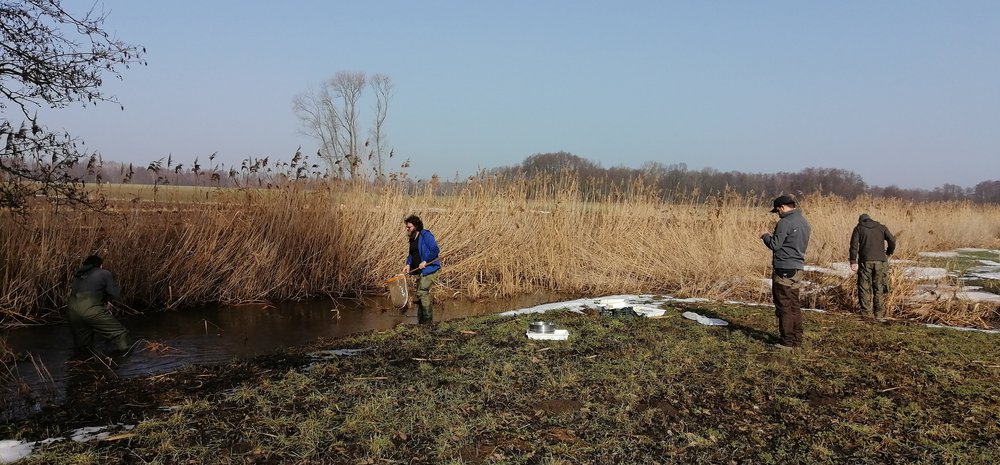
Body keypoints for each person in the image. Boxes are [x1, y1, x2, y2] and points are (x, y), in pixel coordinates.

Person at [759, 195, 811, 349]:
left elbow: (775, 245)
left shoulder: (785, 222)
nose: (778, 214)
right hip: (797, 268)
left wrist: (765, 236)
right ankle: (797, 339)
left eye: (777, 211)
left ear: (782, 207)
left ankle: (787, 341)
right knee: (794, 304)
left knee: (784, 305)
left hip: (783, 269)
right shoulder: (804, 222)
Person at [67, 255, 130, 355]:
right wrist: (107, 301)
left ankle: (81, 364)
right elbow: (115, 294)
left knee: (83, 346)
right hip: (91, 310)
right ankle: (125, 359)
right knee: (120, 334)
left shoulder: (77, 275)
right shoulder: (104, 273)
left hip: (72, 312)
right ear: (100, 265)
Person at [849, 213, 896, 321]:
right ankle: (879, 314)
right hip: (880, 262)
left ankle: (866, 315)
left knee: (864, 287)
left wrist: (853, 261)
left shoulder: (859, 228)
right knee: (878, 287)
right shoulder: (881, 227)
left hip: (865, 262)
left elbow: (854, 246)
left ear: (861, 221)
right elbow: (892, 240)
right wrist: (889, 251)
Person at [402, 215, 441, 324]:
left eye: (409, 227)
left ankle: (428, 321)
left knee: (422, 292)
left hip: (429, 269)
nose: (407, 229)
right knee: (419, 295)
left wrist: (425, 261)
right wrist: (408, 264)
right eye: (407, 227)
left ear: (416, 226)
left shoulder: (426, 235)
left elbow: (435, 249)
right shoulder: (412, 238)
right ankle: (421, 321)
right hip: (418, 271)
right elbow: (412, 253)